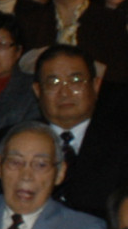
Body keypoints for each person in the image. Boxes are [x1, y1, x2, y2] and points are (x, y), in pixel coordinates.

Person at [33, 44, 127, 219]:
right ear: (38, 90)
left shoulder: (121, 144)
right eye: (53, 82)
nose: (65, 92)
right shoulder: (20, 141)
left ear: (96, 85)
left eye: (75, 81)